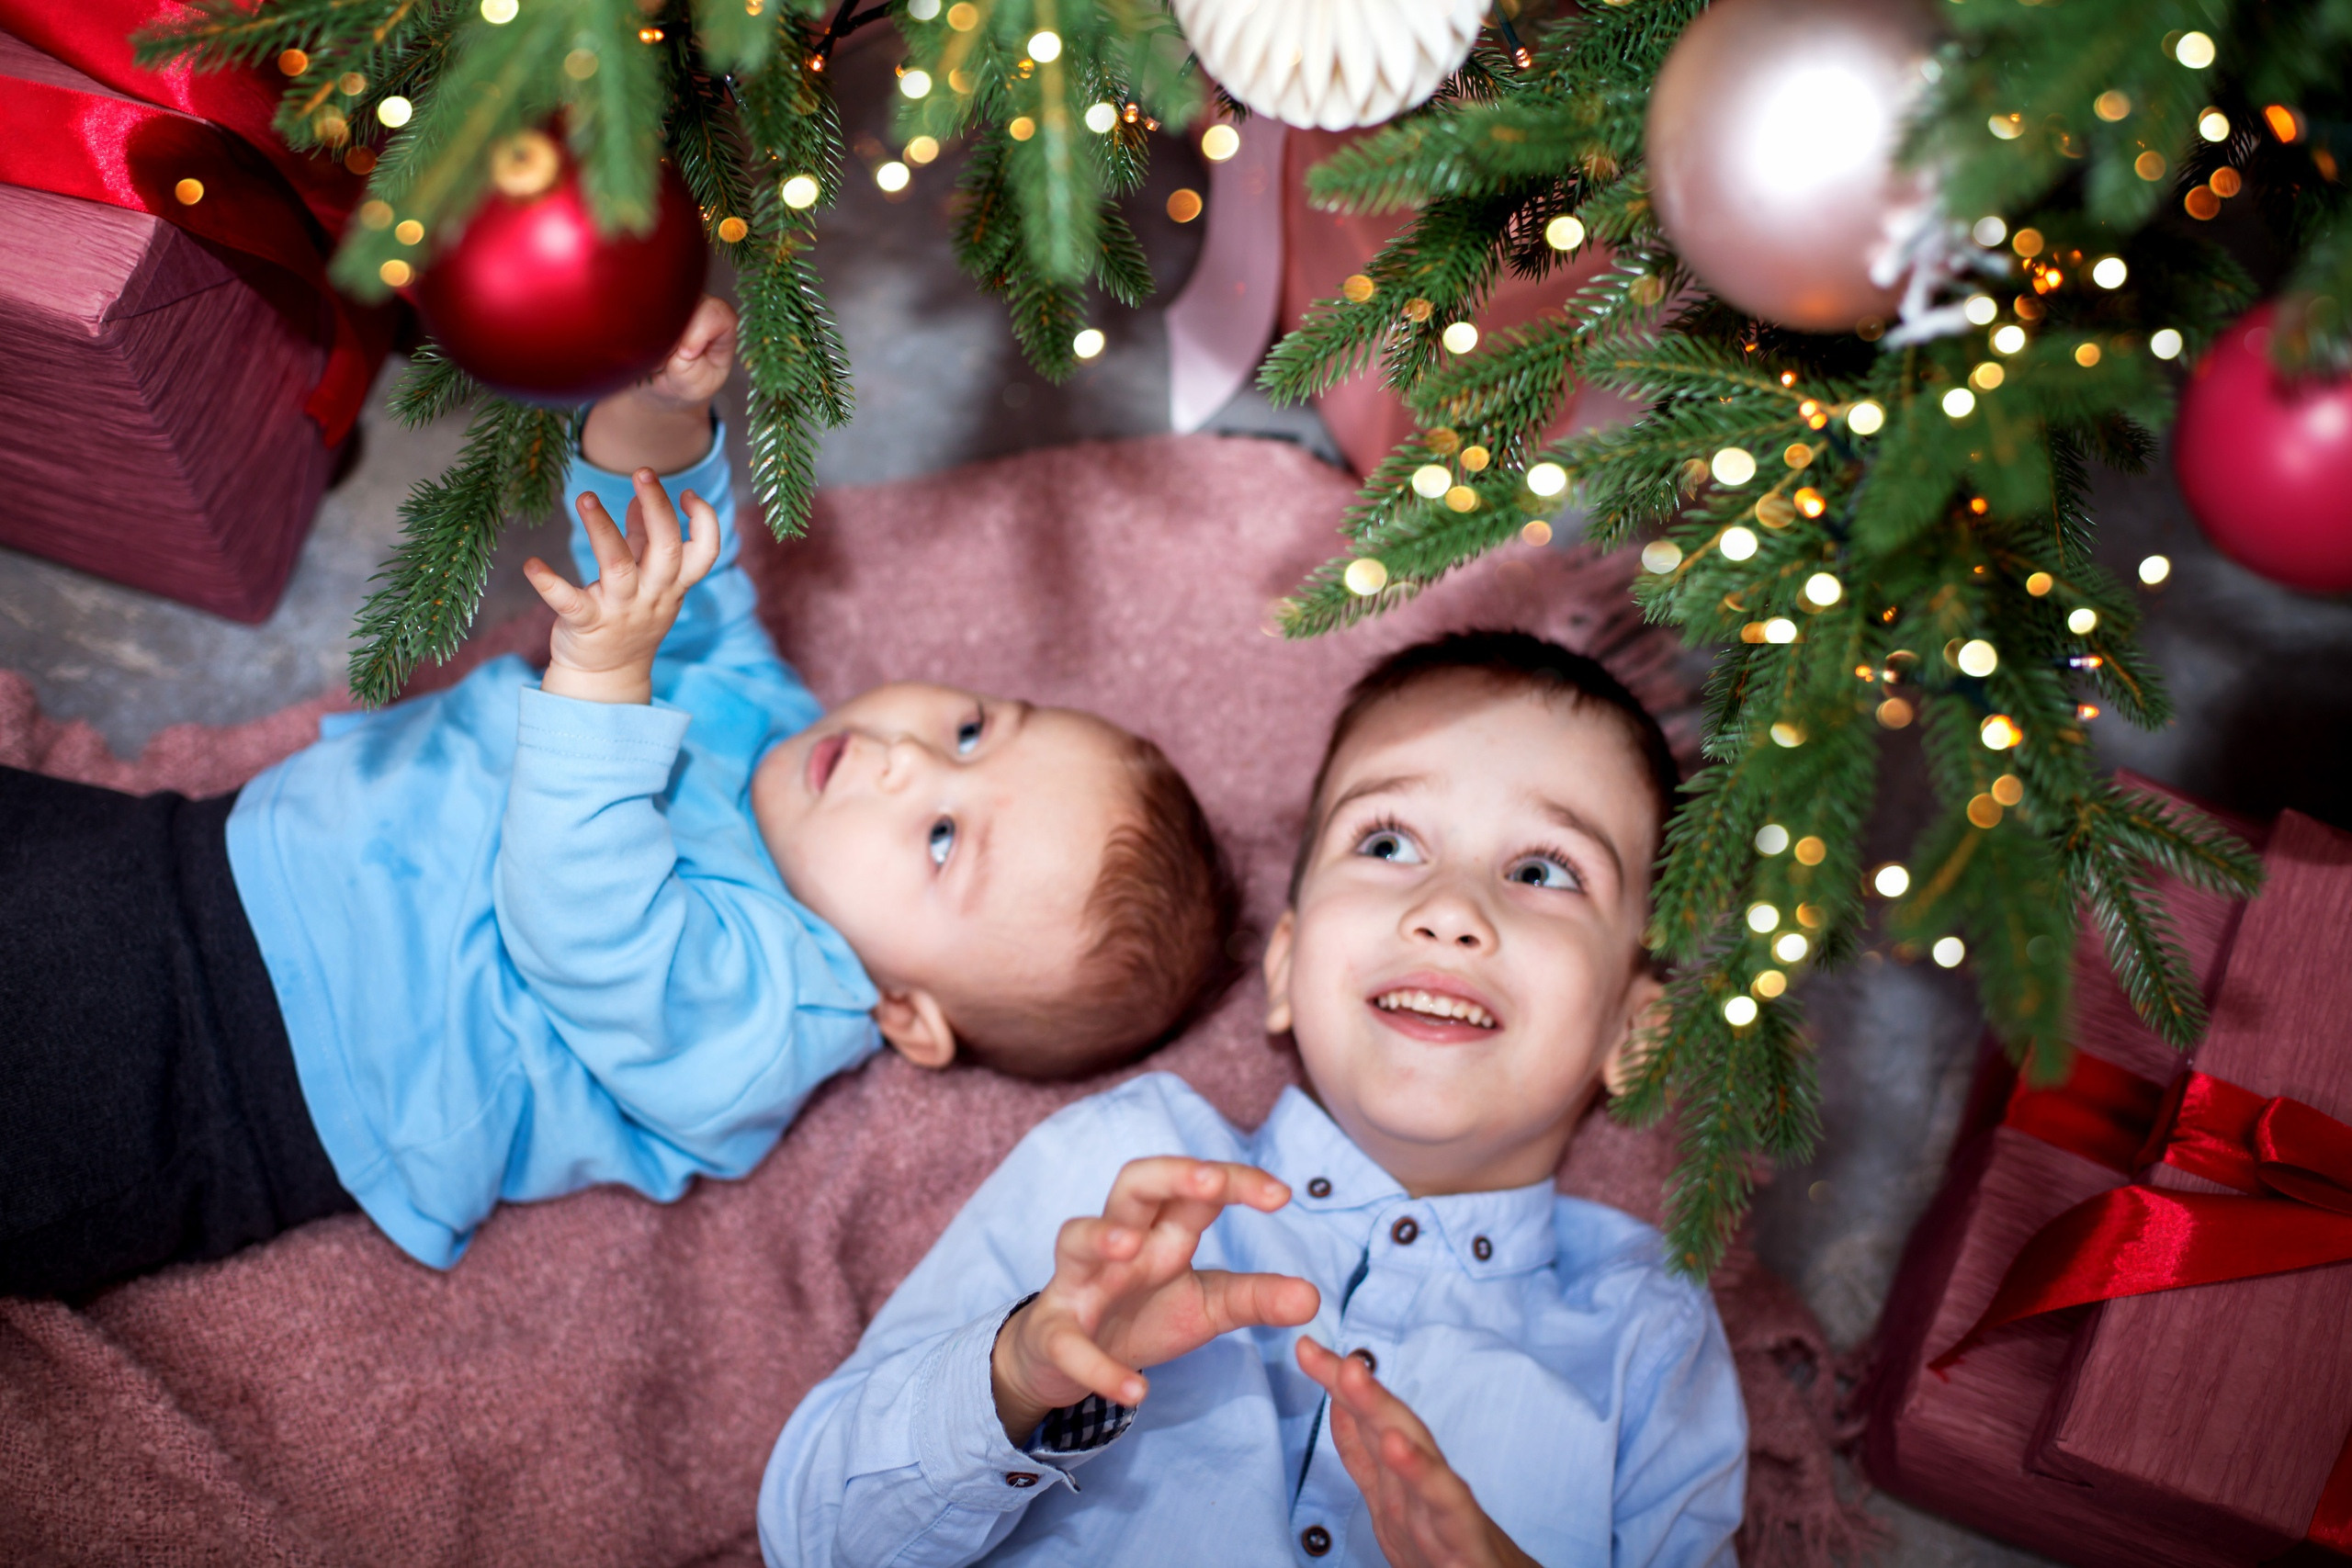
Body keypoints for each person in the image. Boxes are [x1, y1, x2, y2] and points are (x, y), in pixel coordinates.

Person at [0, 297, 1234, 1300]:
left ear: (909, 1013)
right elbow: (671, 566)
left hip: (238, 1073)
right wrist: (662, 410)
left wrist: (601, 681)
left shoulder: (769, 1020)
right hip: (199, 856)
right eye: (971, 728)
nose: (908, 759)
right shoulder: (771, 723)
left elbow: (585, 923)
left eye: (945, 838)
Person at [757, 630, 1747, 1567]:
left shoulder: (1647, 1339)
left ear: (1637, 1032)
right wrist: (1017, 1378)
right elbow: (810, 1538)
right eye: (1388, 844)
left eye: (1542, 870)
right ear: (1284, 967)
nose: (1449, 910)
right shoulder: (1126, 1180)